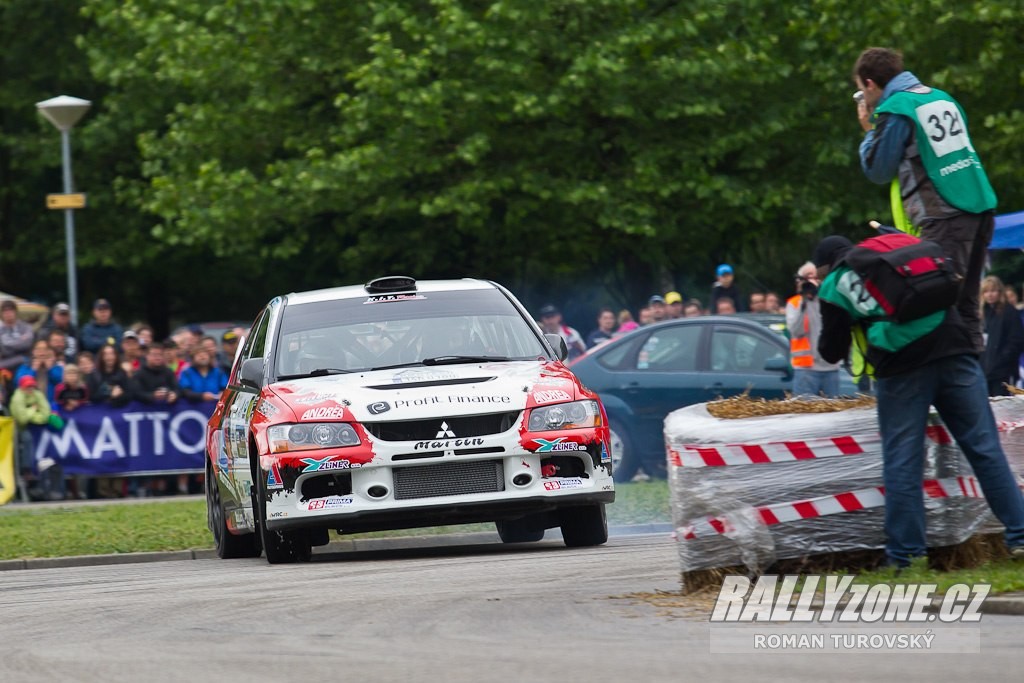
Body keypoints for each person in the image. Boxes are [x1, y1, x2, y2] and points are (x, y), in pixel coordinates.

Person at [812, 234, 1024, 566]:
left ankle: (906, 555)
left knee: (903, 461)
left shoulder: (835, 283)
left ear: (825, 267)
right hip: (956, 350)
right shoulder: (896, 256)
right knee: (985, 448)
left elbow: (830, 350)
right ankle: (1020, 535)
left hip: (902, 368)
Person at [853, 47, 997, 353]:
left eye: (860, 89)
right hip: (980, 207)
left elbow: (878, 168)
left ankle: (953, 389)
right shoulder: (940, 97)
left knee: (937, 305)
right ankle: (976, 393)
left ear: (869, 84)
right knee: (967, 305)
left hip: (945, 216)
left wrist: (868, 131)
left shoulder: (897, 108)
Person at [785, 261, 841, 397]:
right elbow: (796, 331)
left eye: (813, 278)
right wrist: (804, 302)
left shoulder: (830, 300)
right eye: (805, 278)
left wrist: (819, 295)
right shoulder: (794, 303)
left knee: (833, 414)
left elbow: (836, 326)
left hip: (830, 367)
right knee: (805, 415)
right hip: (805, 369)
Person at [10, 375, 64, 500]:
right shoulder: (17, 398)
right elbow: (22, 420)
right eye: (27, 387)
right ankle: (27, 468)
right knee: (27, 438)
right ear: (22, 387)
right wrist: (34, 409)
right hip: (20, 429)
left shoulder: (37, 395)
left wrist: (32, 415)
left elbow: (46, 413)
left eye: (31, 386)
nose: (30, 389)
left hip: (36, 426)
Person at [980, 275, 1024, 396]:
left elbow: (1017, 341)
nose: (990, 295)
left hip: (1004, 371)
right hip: (985, 371)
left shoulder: (1009, 312)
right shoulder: (983, 314)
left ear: (1000, 292)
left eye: (993, 291)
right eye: (986, 291)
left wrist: (1002, 359)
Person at [14, 339, 63, 404]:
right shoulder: (25, 366)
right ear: (33, 352)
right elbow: (19, 383)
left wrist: (50, 369)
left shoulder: (56, 367)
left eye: (45, 349)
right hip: (30, 407)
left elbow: (61, 383)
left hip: (51, 407)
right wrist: (33, 370)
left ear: (49, 351)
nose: (42, 352)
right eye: (39, 349)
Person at [0, 299, 35, 373]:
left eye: (10, 310)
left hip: (24, 361)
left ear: (15, 312)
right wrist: (19, 340)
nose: (8, 313)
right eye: (5, 311)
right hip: (5, 363)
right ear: (2, 314)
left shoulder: (26, 327)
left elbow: (27, 344)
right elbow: (3, 350)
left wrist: (7, 343)